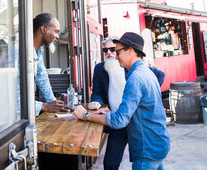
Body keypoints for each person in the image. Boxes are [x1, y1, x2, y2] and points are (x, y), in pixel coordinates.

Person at [74, 32, 170, 170]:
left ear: (130, 51)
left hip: (146, 147)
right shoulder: (145, 72)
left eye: (117, 51)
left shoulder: (135, 78)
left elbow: (119, 120)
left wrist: (86, 115)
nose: (115, 55)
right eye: (106, 50)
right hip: (157, 142)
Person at [33, 13, 72, 115]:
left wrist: (54, 104)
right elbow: (13, 98)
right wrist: (44, 106)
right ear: (44, 29)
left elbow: (42, 79)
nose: (58, 36)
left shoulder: (38, 51)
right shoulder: (21, 52)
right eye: (56, 31)